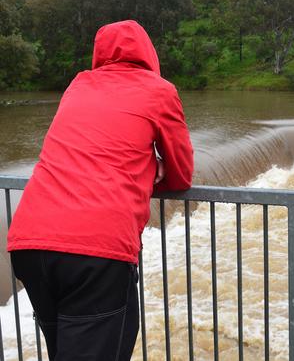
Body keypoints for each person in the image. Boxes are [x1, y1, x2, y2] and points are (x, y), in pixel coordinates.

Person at [6, 20, 193, 360]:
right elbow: (181, 174)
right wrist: (152, 169)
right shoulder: (159, 90)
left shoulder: (79, 84)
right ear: (149, 53)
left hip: (29, 242)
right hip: (95, 250)